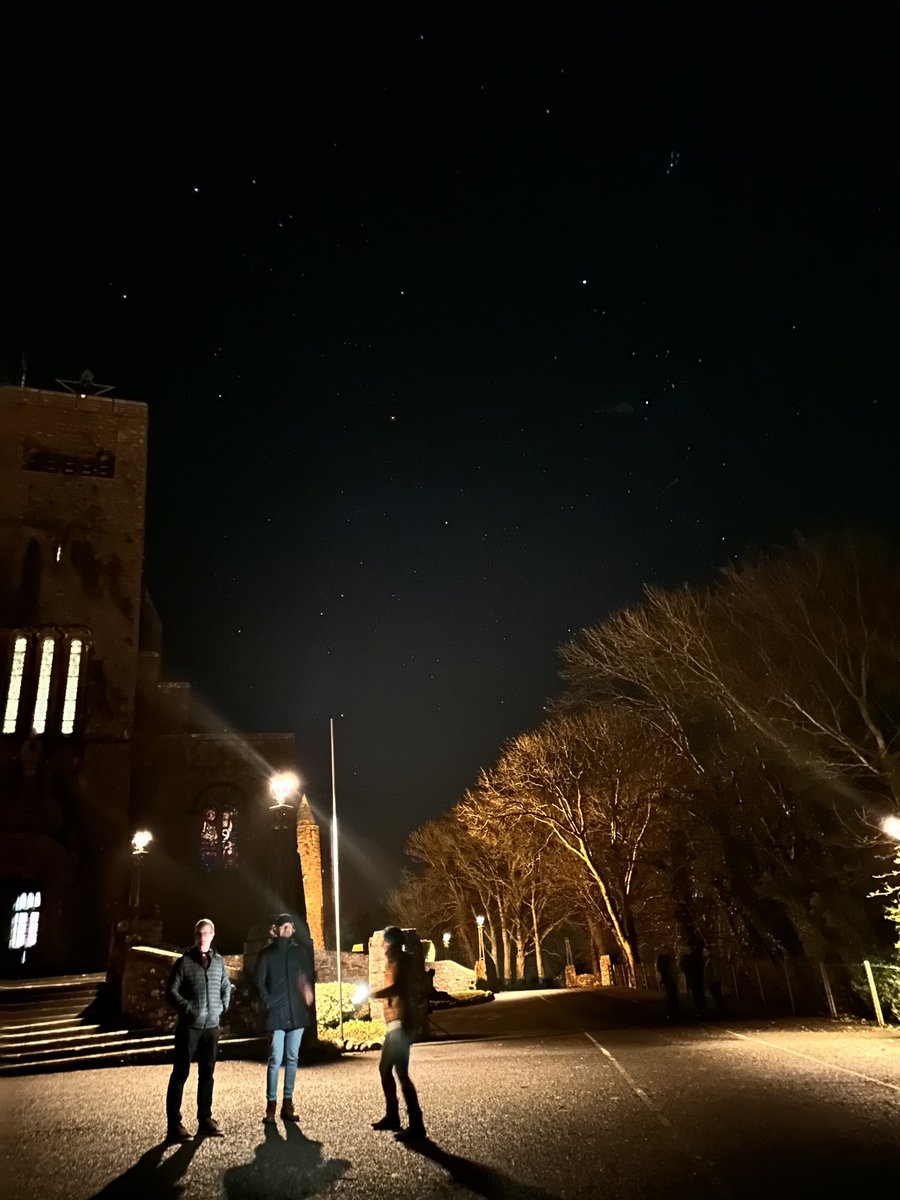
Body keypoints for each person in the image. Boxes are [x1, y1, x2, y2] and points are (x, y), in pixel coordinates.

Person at [165, 917, 233, 1142]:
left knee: (207, 1074)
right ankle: (174, 1125)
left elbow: (226, 986)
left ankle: (205, 1119)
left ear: (212, 936)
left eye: (206, 934)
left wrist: (222, 1006)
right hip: (189, 1027)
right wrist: (189, 1009)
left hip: (211, 1026)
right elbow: (171, 991)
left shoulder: (219, 962)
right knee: (180, 1074)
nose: (203, 938)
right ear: (195, 937)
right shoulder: (184, 962)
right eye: (199, 934)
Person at [254, 913, 315, 1124]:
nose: (287, 929)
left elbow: (305, 976)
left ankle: (287, 1104)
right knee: (275, 1060)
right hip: (276, 1013)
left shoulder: (299, 953)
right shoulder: (267, 953)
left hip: (296, 1013)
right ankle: (270, 1106)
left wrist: (306, 991)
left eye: (290, 926)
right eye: (283, 926)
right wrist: (268, 1001)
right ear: (276, 930)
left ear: (293, 929)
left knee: (292, 1058)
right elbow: (259, 980)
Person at [370, 926, 426, 1141]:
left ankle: (416, 1124)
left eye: (385, 942)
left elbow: (398, 988)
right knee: (387, 1069)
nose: (383, 946)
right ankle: (393, 1116)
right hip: (396, 1022)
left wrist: (373, 994)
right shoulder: (395, 961)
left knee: (399, 1072)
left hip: (400, 1023)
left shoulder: (400, 962)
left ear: (391, 943)